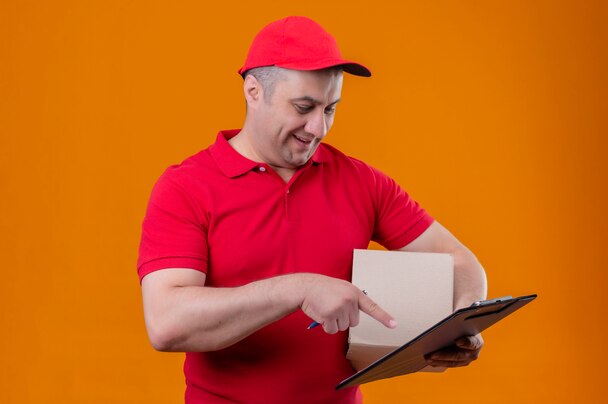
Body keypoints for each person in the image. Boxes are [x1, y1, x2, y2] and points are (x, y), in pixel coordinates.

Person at [137, 16, 487, 404]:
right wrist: (297, 289)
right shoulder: (185, 187)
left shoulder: (362, 182)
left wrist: (460, 324)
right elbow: (166, 323)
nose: (318, 127)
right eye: (304, 107)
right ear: (253, 91)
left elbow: (463, 266)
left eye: (330, 108)